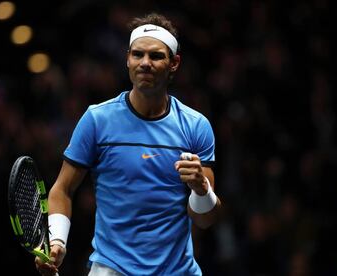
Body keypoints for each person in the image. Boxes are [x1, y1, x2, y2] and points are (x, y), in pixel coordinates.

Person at [35, 12, 222, 276]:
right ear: (127, 59)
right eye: (138, 54)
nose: (145, 63)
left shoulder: (196, 126)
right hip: (111, 270)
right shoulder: (97, 120)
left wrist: (201, 189)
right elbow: (62, 189)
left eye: (156, 56)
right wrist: (57, 241)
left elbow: (204, 220)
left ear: (174, 63)